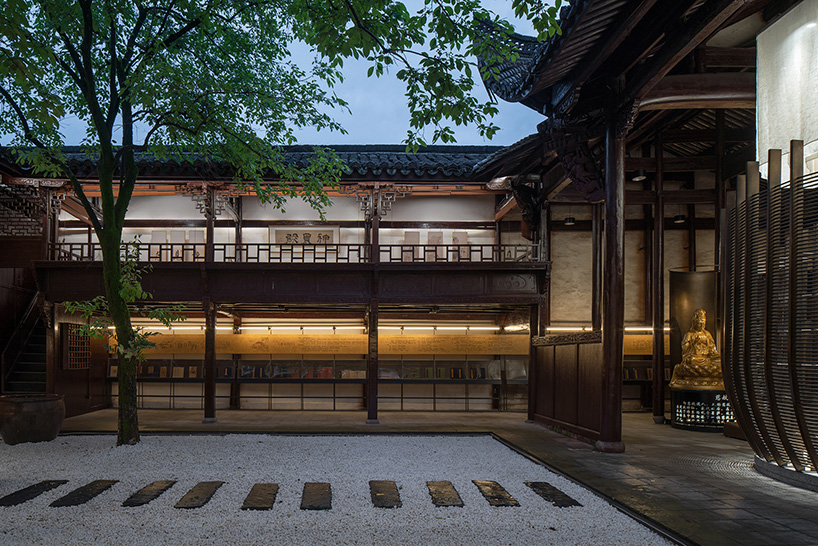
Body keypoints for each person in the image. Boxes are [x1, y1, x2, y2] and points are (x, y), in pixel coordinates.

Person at [669, 308, 724, 390]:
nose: (701, 325)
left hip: (707, 358)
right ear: (694, 322)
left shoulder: (707, 334)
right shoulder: (689, 334)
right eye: (699, 323)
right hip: (696, 358)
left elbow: (712, 348)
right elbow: (685, 348)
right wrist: (693, 345)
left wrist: (713, 354)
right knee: (691, 360)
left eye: (703, 323)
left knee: (720, 361)